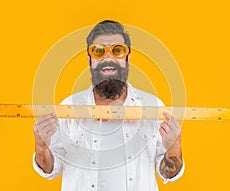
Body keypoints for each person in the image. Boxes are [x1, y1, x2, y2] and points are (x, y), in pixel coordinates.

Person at [32, 20, 184, 191]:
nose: (108, 57)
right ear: (89, 59)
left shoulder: (153, 107)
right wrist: (41, 146)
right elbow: (50, 168)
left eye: (118, 50)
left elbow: (168, 172)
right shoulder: (68, 107)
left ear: (128, 58)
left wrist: (173, 148)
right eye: (99, 51)